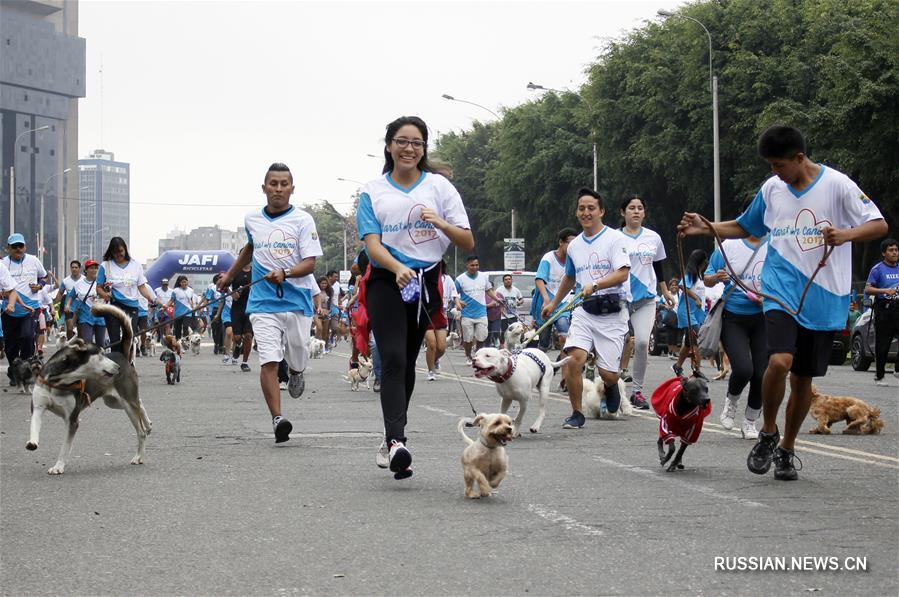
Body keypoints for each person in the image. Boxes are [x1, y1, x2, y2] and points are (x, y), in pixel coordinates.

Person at [679, 124, 886, 481]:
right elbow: (746, 226)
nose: (775, 173)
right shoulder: (773, 189)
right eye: (771, 166)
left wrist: (846, 234)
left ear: (799, 158)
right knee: (779, 361)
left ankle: (787, 449)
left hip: (823, 295)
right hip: (779, 289)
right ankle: (768, 432)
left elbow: (879, 224)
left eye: (779, 165)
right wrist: (706, 226)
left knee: (802, 380)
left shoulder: (838, 185)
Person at [356, 115, 473, 479]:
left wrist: (440, 222)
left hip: (426, 283)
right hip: (386, 281)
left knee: (407, 362)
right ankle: (396, 442)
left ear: (423, 149)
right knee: (390, 356)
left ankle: (392, 436)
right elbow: (372, 245)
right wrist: (395, 267)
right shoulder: (372, 191)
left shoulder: (439, 188)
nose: (409, 149)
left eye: (417, 143)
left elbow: (466, 240)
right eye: (402, 141)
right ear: (389, 146)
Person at [218, 162, 322, 444]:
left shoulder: (303, 220)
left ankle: (298, 371)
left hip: (296, 300)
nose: (278, 189)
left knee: (297, 352)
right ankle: (277, 419)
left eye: (283, 184)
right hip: (262, 302)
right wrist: (229, 275)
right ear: (264, 188)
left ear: (292, 189)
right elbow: (250, 248)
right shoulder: (252, 220)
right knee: (269, 361)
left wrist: (286, 272)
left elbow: (311, 262)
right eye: (273, 184)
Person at [541, 188, 631, 429]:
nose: (586, 212)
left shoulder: (615, 239)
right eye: (581, 208)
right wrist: (553, 303)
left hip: (612, 311)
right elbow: (569, 277)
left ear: (601, 211)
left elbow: (623, 273)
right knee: (573, 360)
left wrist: (597, 284)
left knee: (608, 373)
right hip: (584, 312)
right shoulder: (574, 246)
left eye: (591, 208)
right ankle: (577, 413)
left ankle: (612, 386)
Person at [703, 223, 768, 439]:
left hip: (764, 317)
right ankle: (731, 400)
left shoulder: (775, 245)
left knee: (762, 373)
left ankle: (750, 421)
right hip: (733, 317)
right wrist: (717, 277)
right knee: (743, 369)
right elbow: (707, 278)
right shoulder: (729, 246)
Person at [619, 196, 674, 409]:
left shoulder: (653, 237)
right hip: (621, 299)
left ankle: (637, 392)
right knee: (618, 343)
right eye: (631, 208)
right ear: (623, 212)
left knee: (642, 343)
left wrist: (665, 291)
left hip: (647, 298)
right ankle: (611, 386)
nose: (636, 211)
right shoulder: (614, 237)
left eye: (640, 208)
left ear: (644, 212)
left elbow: (658, 265)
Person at [96, 236, 157, 347]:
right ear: (111, 252)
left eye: (121, 251)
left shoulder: (136, 265)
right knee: (115, 340)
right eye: (115, 252)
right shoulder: (105, 266)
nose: (118, 255)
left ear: (125, 249)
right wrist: (106, 295)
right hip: (113, 306)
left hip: (132, 307)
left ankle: (128, 362)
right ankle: (116, 362)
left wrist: (151, 299)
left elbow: (141, 287)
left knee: (129, 339)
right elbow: (98, 287)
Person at [2, 233, 44, 380]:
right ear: (8, 248)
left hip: (30, 309)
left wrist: (39, 286)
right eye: (14, 247)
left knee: (27, 337)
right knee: (11, 345)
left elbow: (43, 277)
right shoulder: (3, 264)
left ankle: (25, 371)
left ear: (25, 247)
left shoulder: (34, 260)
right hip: (9, 310)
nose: (18, 249)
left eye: (21, 246)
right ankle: (14, 371)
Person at [532, 228, 578, 353]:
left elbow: (574, 282)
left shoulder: (574, 260)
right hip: (545, 304)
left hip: (562, 305)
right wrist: (546, 299)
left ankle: (565, 368)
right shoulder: (548, 258)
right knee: (544, 344)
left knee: (564, 335)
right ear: (561, 242)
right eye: (569, 242)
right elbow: (539, 279)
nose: (572, 246)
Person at [864, 238, 899, 385]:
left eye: (896, 250)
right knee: (883, 344)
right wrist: (884, 290)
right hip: (884, 309)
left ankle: (897, 369)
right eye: (891, 250)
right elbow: (868, 288)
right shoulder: (877, 269)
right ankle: (880, 376)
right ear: (884, 253)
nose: (894, 253)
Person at [455, 255, 499, 364]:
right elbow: (454, 294)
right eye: (472, 265)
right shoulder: (460, 279)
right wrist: (458, 302)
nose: (475, 267)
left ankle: (477, 356)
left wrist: (497, 299)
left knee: (481, 337)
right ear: (467, 265)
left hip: (482, 313)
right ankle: (468, 356)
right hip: (467, 314)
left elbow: (488, 290)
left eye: (477, 265)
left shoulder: (483, 277)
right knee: (468, 339)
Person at [671, 249, 708, 376]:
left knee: (688, 343)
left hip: (696, 313)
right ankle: (697, 369)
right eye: (705, 260)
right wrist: (696, 298)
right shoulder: (690, 274)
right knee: (697, 339)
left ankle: (677, 366)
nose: (707, 262)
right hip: (686, 312)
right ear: (700, 261)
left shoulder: (699, 275)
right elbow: (682, 286)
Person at [424, 260, 453, 381]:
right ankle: (430, 370)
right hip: (425, 314)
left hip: (440, 314)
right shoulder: (421, 276)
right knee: (431, 344)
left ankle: (434, 360)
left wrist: (457, 303)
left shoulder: (446, 279)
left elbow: (454, 294)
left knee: (441, 347)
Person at [66, 259, 106, 345]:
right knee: (87, 342)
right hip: (85, 317)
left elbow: (107, 295)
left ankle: (98, 358)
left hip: (100, 317)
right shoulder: (79, 284)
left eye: (95, 268)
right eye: (91, 268)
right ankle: (87, 358)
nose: (94, 270)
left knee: (100, 344)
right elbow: (71, 296)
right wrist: (68, 305)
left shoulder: (102, 283)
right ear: (86, 270)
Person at [227, 262, 254, 371]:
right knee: (237, 337)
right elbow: (224, 285)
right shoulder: (235, 271)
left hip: (251, 307)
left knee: (248, 335)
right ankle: (238, 346)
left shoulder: (255, 271)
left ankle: (245, 362)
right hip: (237, 308)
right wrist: (232, 293)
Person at [496, 273, 523, 348]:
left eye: (509, 279)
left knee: (515, 331)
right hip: (503, 315)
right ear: (503, 281)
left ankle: (514, 345)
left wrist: (519, 302)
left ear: (511, 280)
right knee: (504, 331)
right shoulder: (499, 290)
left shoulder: (516, 290)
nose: (508, 281)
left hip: (513, 314)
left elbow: (521, 299)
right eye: (506, 280)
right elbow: (495, 300)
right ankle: (502, 346)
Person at [168, 275, 199, 340]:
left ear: (187, 282)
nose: (184, 283)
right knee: (178, 328)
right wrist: (165, 306)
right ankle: (178, 340)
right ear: (179, 283)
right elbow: (171, 300)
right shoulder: (175, 290)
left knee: (185, 327)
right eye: (182, 282)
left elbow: (191, 300)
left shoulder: (191, 290)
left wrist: (193, 308)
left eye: (185, 282)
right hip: (178, 313)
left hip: (188, 312)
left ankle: (185, 341)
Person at [57, 260, 82, 340]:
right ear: (70, 269)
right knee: (70, 329)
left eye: (76, 267)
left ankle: (80, 347)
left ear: (79, 268)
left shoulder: (84, 280)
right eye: (72, 267)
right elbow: (60, 293)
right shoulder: (65, 281)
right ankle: (70, 345)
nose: (74, 269)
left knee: (81, 330)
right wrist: (53, 306)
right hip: (69, 308)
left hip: (82, 309)